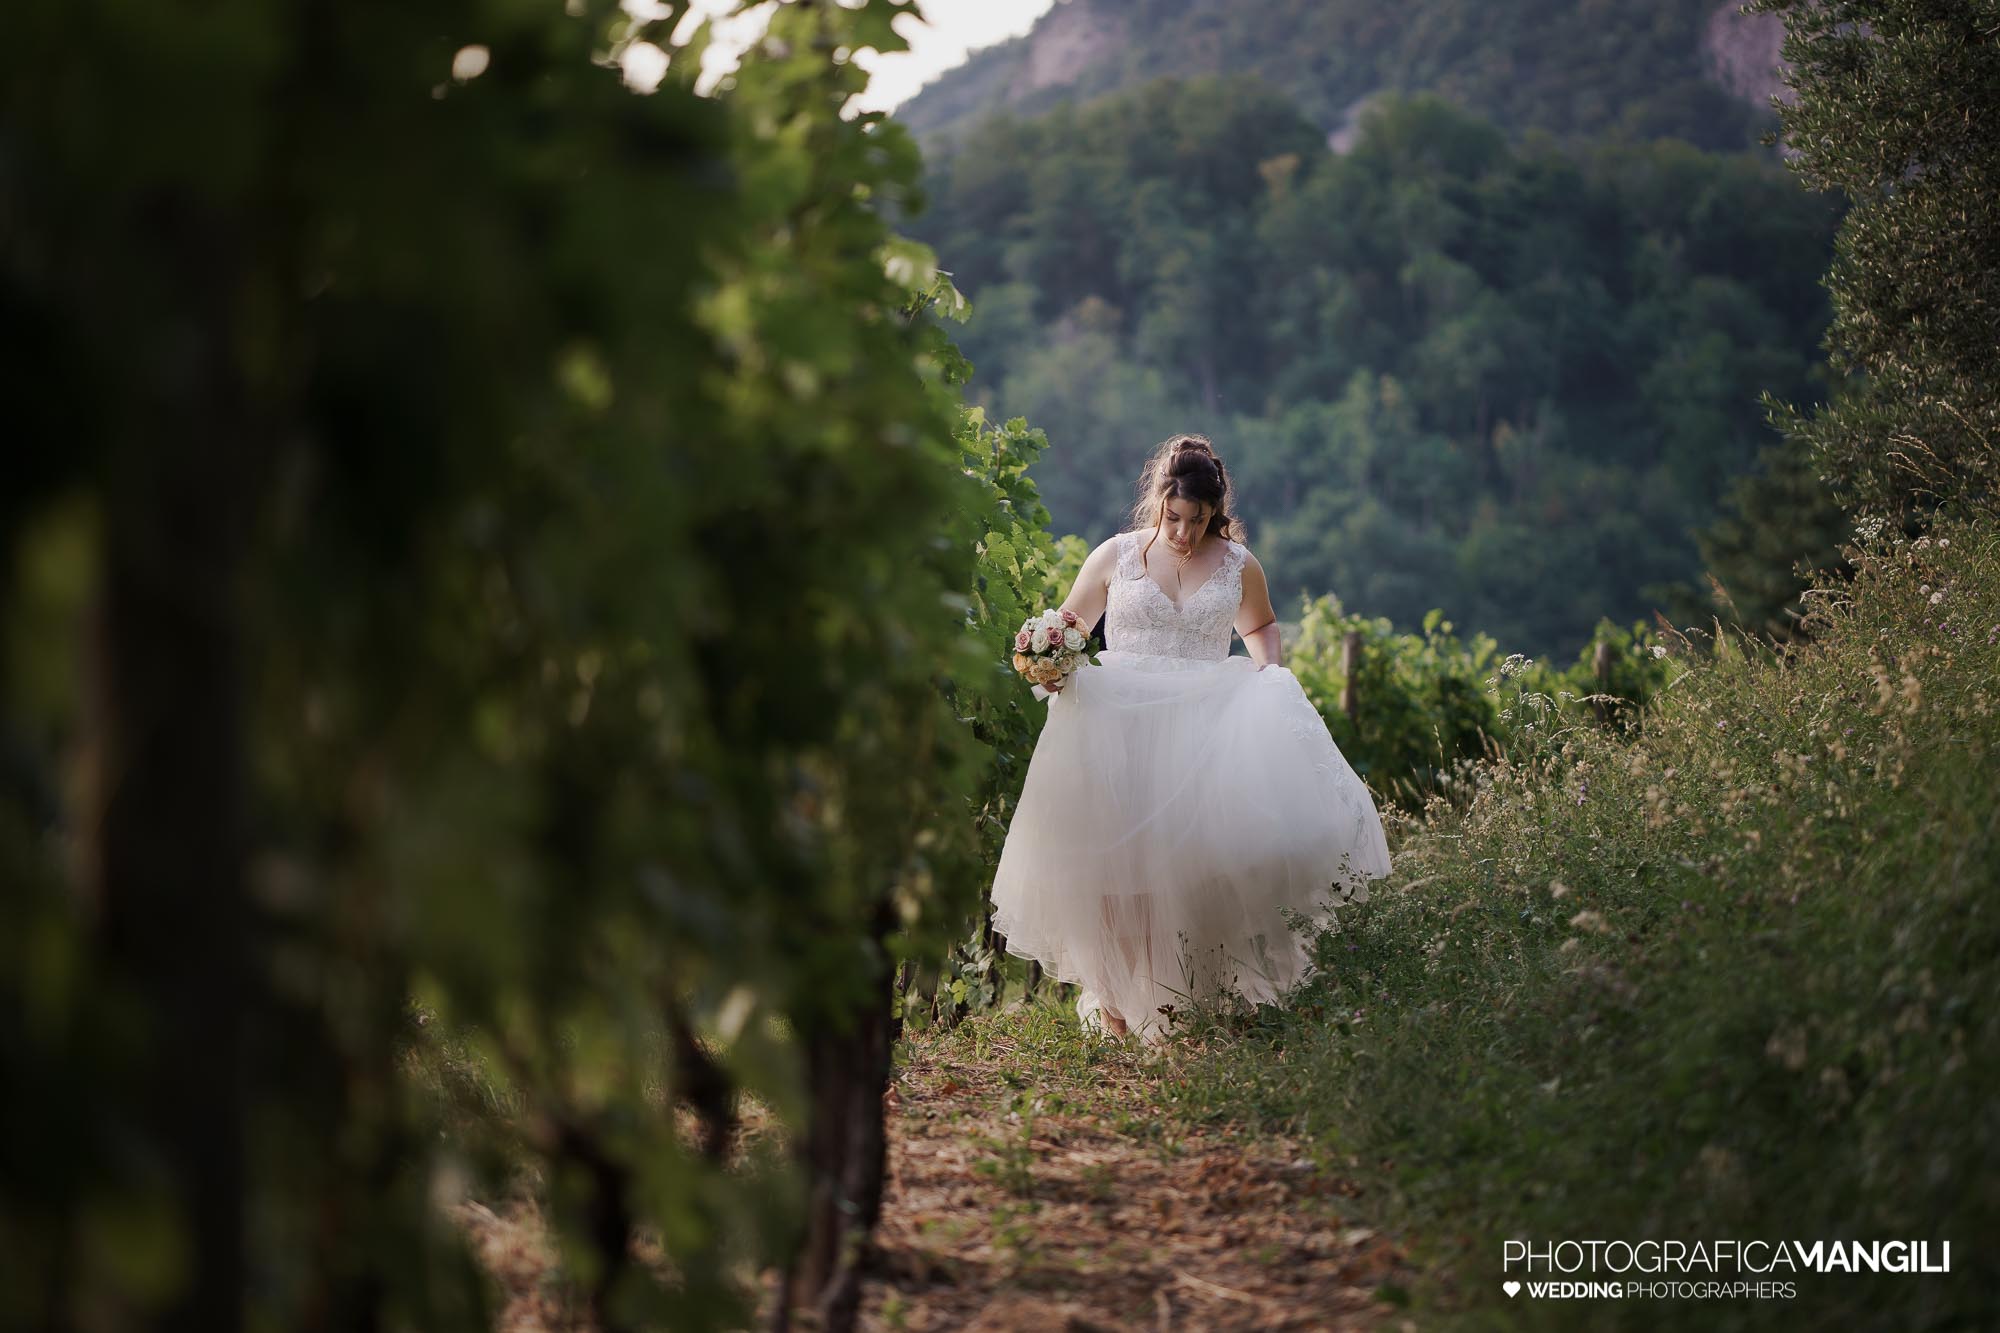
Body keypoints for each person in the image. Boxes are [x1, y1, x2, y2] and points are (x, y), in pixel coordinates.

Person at [989, 434, 1393, 1046]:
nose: (1183, 533)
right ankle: (1121, 1004)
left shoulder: (1238, 565)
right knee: (1115, 874)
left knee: (1195, 872)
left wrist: (1269, 678)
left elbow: (1259, 626)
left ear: (1216, 512)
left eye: (1198, 520)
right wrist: (1047, 658)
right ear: (1158, 500)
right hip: (1118, 726)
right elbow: (1069, 626)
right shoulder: (1116, 556)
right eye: (1174, 517)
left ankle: (1191, 1001)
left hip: (1202, 727)